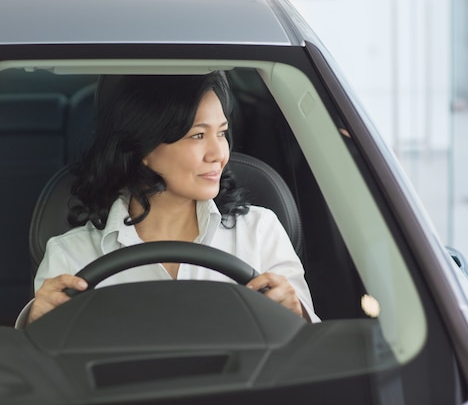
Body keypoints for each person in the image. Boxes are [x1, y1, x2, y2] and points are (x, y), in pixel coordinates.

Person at [15, 71, 318, 328]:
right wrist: (35, 325)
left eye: (222, 133)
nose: (219, 154)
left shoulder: (260, 232)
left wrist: (296, 314)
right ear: (144, 148)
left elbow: (306, 354)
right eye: (198, 136)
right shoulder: (71, 256)